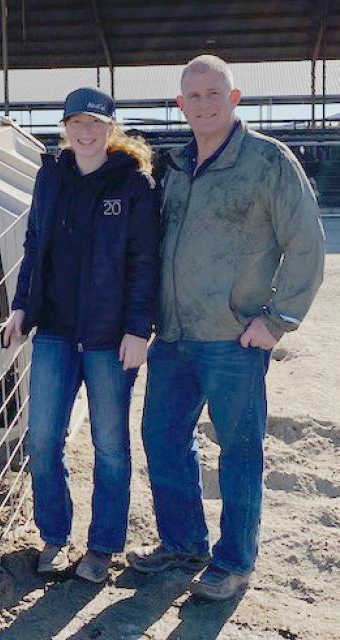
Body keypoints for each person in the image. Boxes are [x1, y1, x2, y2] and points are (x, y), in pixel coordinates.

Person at [129, 55, 325, 600]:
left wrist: (277, 319)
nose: (204, 104)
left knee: (238, 448)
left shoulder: (268, 161)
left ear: (234, 98)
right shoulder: (171, 166)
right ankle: (183, 542)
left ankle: (234, 561)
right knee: (163, 439)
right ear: (180, 104)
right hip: (172, 335)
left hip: (233, 338)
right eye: (193, 96)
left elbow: (306, 243)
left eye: (214, 93)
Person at [3, 87, 160, 583]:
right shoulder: (51, 176)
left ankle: (103, 545)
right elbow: (34, 243)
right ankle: (54, 536)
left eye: (96, 123)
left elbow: (143, 262)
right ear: (65, 127)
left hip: (109, 337)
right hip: (53, 329)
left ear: (111, 129)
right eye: (77, 123)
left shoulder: (134, 185)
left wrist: (139, 329)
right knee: (42, 438)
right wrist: (21, 306)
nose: (86, 132)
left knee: (109, 444)